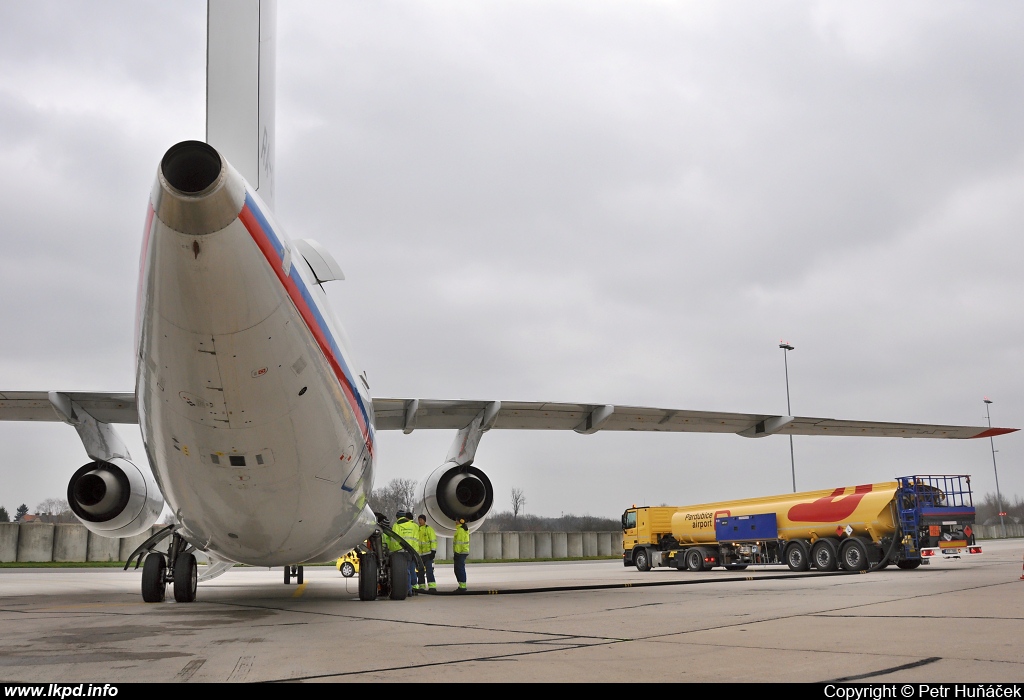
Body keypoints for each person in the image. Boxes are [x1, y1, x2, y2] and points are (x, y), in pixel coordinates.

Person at [388, 508, 420, 596]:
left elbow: (394, 540)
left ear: (397, 517)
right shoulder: (414, 526)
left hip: (399, 552)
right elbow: (417, 539)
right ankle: (411, 589)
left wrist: (391, 551)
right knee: (410, 570)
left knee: (402, 571)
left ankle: (406, 590)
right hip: (412, 551)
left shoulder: (396, 525)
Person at [415, 514, 437, 593]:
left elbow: (433, 540)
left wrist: (433, 551)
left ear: (425, 520)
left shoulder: (429, 529)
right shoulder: (417, 529)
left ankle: (432, 586)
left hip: (428, 554)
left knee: (429, 570)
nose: (420, 521)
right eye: (419, 520)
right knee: (420, 571)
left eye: (421, 519)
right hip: (420, 555)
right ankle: (421, 586)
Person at [453, 518, 470, 593]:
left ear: (459, 522)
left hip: (460, 553)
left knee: (459, 568)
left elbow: (459, 543)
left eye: (456, 521)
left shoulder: (460, 530)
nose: (455, 522)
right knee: (458, 568)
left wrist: (457, 553)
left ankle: (462, 586)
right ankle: (461, 585)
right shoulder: (462, 529)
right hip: (462, 552)